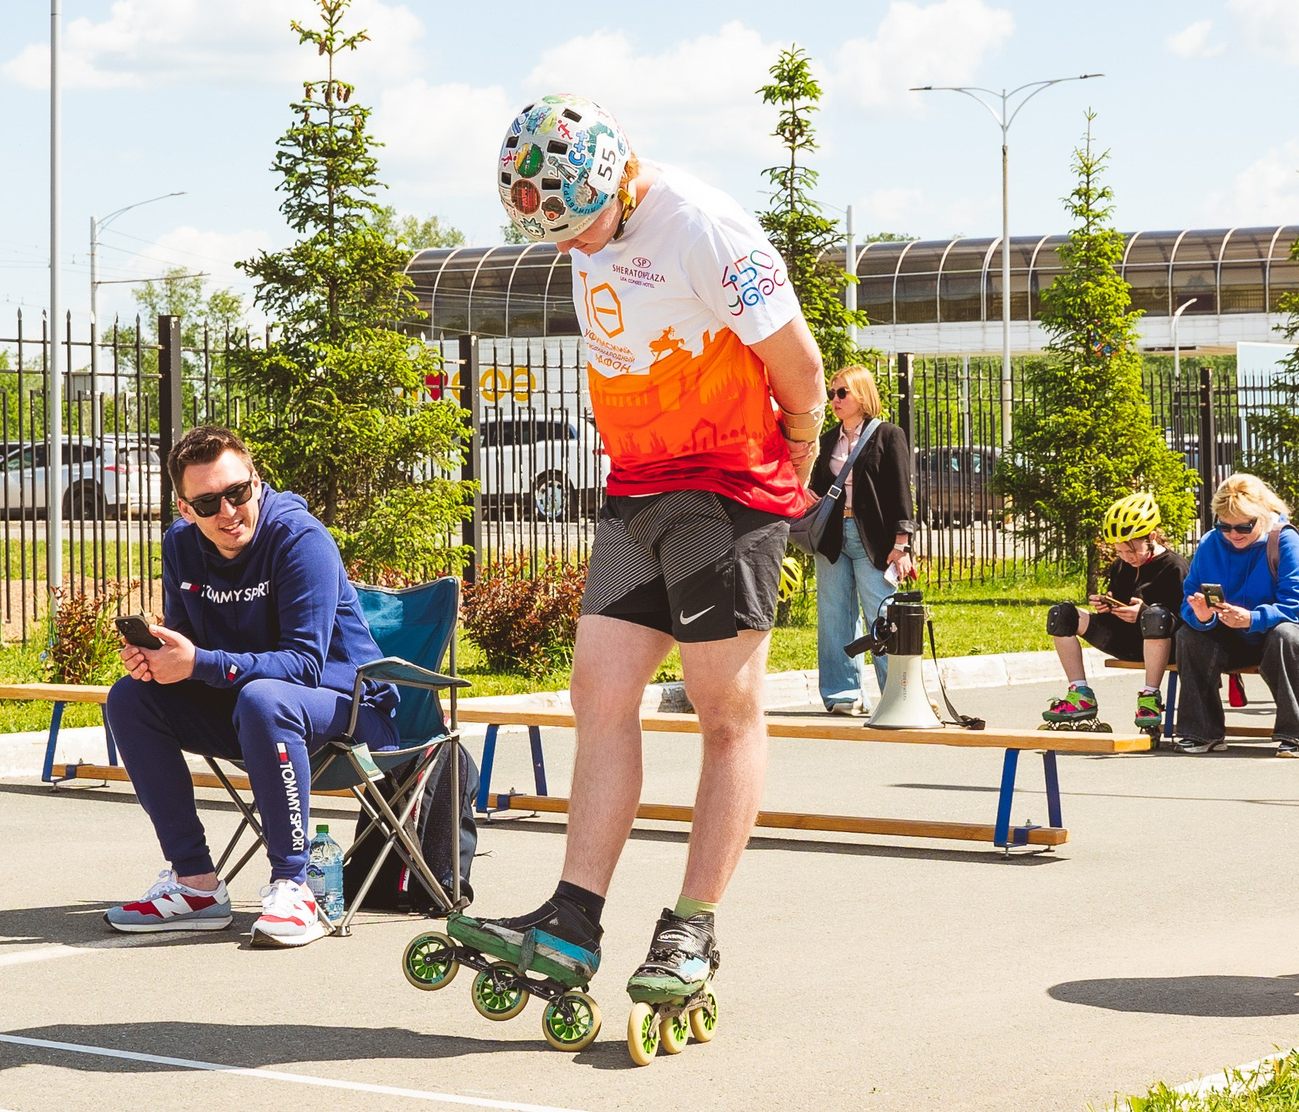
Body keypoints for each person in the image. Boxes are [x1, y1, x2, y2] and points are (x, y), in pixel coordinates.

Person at [447, 95, 823, 1033]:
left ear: (616, 173)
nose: (572, 249)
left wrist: (802, 455)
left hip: (728, 487)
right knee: (598, 695)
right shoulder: (584, 228)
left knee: (723, 709)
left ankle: (692, 927)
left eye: (580, 228)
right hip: (638, 488)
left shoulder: (701, 226)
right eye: (555, 237)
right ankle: (574, 914)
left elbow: (801, 363)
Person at [101, 425, 413, 949]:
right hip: (251, 711)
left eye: (237, 493)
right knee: (131, 699)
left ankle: (295, 887)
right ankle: (195, 884)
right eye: (206, 503)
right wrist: (161, 659)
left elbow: (305, 663)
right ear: (185, 509)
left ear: (257, 483)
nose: (226, 512)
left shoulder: (300, 539)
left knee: (264, 697)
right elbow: (194, 646)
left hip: (353, 711)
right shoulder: (181, 545)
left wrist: (198, 662)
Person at [1171, 473, 1299, 757]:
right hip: (1229, 633)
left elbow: (1298, 603)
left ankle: (1295, 735)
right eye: (1225, 526)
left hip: (1274, 634)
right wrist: (1200, 615)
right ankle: (1202, 732)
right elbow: (1189, 595)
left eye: (1243, 526)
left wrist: (1252, 618)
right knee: (1188, 635)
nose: (1234, 534)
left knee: (1286, 635)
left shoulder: (1284, 539)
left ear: (1262, 515)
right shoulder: (1211, 543)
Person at [808, 365, 917, 717]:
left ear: (862, 396)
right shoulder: (827, 441)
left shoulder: (888, 435)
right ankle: (843, 694)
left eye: (843, 393)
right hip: (833, 538)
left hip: (876, 541)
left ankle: (897, 695)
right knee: (834, 617)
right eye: (832, 393)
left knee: (883, 617)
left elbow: (901, 491)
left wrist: (902, 545)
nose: (835, 400)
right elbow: (819, 488)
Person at [1038, 492, 1183, 736]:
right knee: (1061, 615)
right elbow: (1119, 599)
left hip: (1166, 645)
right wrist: (1107, 606)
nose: (1126, 558)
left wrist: (1144, 613)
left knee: (1155, 617)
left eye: (1132, 551)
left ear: (1152, 537)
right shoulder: (1121, 566)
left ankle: (1149, 698)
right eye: (1119, 552)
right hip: (1125, 639)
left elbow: (1184, 618)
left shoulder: (1174, 566)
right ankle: (1080, 693)